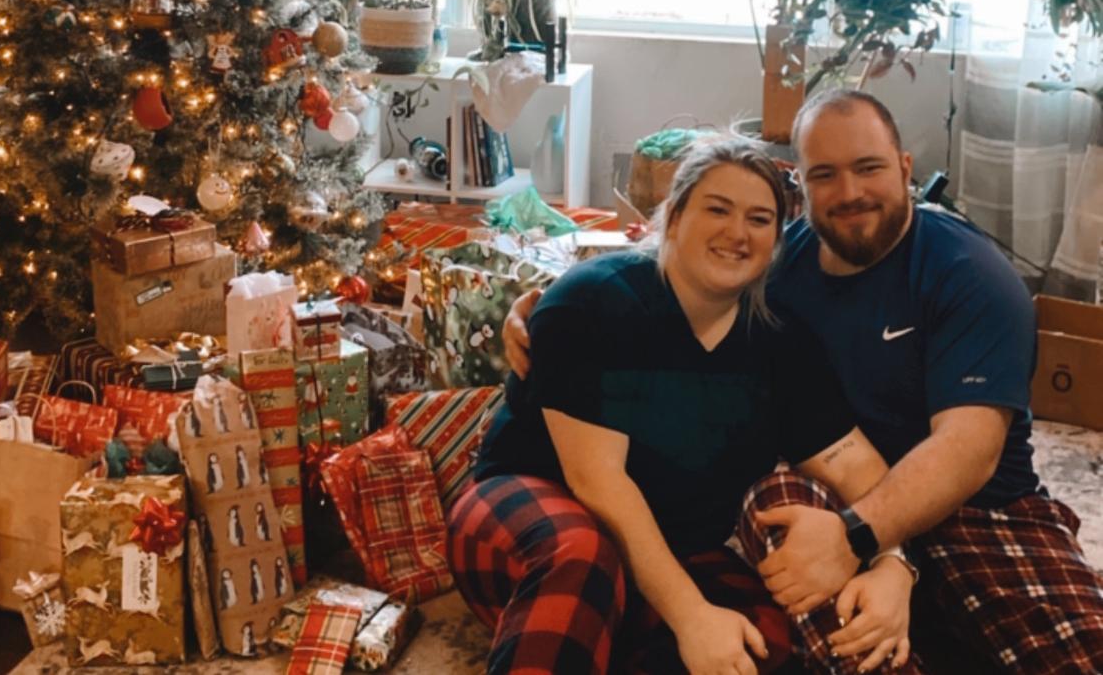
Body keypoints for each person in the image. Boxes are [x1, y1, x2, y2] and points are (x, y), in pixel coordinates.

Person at [506, 89, 1103, 673]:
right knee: (773, 508)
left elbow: (969, 451)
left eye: (868, 168)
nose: (849, 192)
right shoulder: (774, 263)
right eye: (825, 175)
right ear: (802, 186)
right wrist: (538, 304)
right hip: (834, 494)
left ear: (904, 169)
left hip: (981, 513)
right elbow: (669, 266)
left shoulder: (970, 274)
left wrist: (876, 549)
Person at [449, 138, 920, 675]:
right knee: (583, 557)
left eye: (759, 219)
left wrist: (893, 565)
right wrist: (691, 615)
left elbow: (856, 466)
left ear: (776, 241)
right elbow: (597, 483)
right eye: (717, 209)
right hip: (530, 519)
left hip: (670, 549)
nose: (737, 233)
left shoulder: (780, 342)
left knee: (764, 642)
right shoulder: (594, 300)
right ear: (673, 217)